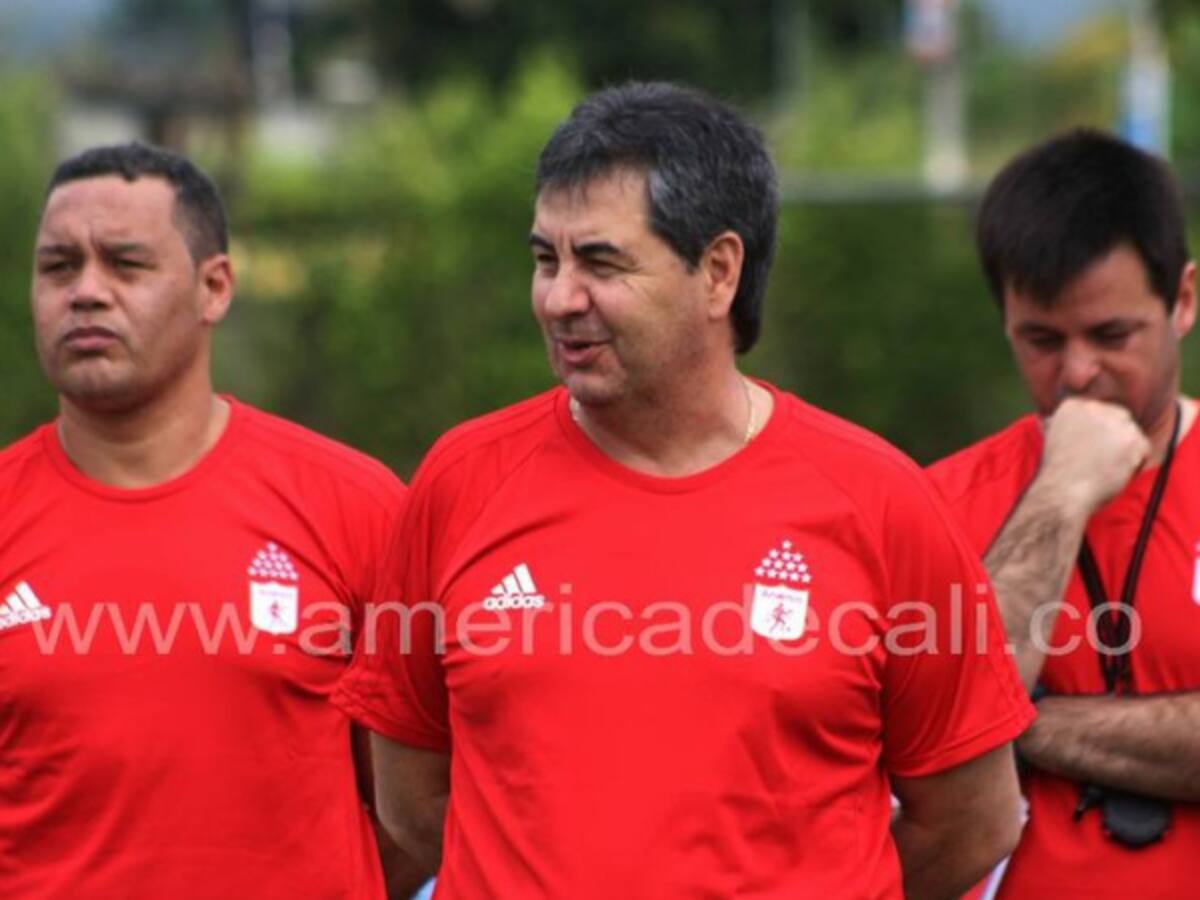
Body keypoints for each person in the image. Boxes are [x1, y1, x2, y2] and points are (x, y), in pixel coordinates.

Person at [335, 81, 1033, 899]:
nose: (560, 298)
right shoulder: (461, 481)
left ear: (718, 272)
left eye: (601, 261)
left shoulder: (879, 501)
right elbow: (413, 799)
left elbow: (973, 821)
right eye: (544, 259)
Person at [0, 143, 427, 898]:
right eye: (58, 267)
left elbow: (419, 801)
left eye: (125, 264)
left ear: (215, 287)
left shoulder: (353, 505)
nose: (86, 292)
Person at [927, 129, 1200, 898]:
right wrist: (1061, 491)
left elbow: (972, 712)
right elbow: (941, 731)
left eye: (1112, 335)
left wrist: (1029, 725)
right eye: (1042, 339)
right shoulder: (936, 502)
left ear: (1182, 300)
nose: (1078, 372)